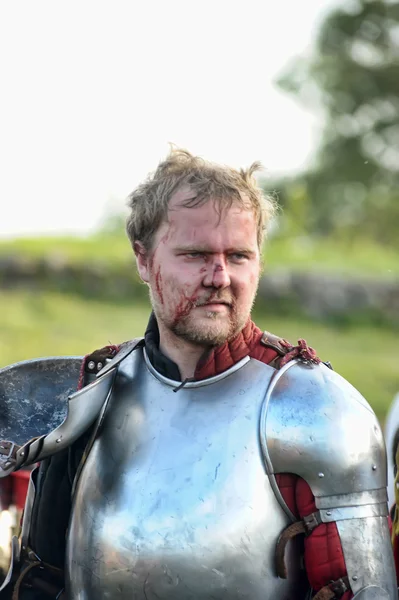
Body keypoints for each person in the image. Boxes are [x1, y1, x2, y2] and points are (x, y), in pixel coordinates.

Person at [0, 148, 396, 599]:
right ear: (143, 260)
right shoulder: (94, 394)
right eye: (195, 255)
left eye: (240, 256)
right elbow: (39, 583)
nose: (220, 276)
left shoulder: (316, 411)